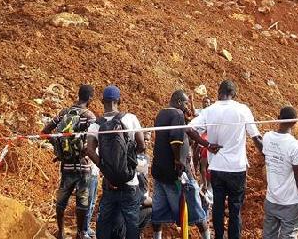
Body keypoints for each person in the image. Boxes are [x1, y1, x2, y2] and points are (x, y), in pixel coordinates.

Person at [189, 80, 263, 239]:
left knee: (217, 206)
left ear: (218, 92)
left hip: (216, 168)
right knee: (235, 209)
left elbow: (189, 128)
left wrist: (207, 144)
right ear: (234, 95)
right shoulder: (242, 109)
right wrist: (267, 153)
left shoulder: (209, 111)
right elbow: (256, 137)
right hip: (237, 169)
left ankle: (219, 237)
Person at [151, 90, 215, 239]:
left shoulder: (162, 114)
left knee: (158, 212)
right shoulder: (177, 115)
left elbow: (189, 131)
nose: (187, 106)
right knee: (196, 210)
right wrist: (178, 160)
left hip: (159, 172)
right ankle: (206, 236)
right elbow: (175, 141)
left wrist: (206, 144)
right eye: (186, 103)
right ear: (179, 102)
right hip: (176, 174)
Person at [85, 85, 146, 239]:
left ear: (102, 101)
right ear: (119, 100)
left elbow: (90, 151)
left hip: (109, 183)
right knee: (132, 221)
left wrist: (106, 169)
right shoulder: (130, 118)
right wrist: (128, 162)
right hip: (130, 182)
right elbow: (142, 145)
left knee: (104, 222)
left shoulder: (96, 125)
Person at [42, 85, 98, 239]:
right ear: (90, 99)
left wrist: (57, 145)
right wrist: (86, 150)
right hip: (83, 167)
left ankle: (60, 232)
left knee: (61, 200)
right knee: (83, 202)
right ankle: (80, 233)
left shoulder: (64, 112)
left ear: (78, 95)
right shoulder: (90, 116)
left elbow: (44, 132)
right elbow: (97, 139)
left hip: (66, 165)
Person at [261, 106, 298, 239]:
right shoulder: (295, 146)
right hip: (290, 204)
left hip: (271, 200)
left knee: (268, 236)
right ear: (295, 123)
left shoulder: (267, 138)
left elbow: (264, 154)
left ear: (278, 118)